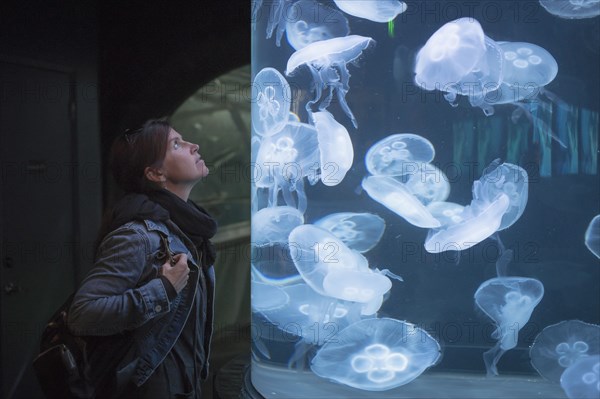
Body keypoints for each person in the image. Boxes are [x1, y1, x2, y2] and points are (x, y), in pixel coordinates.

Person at [68, 119, 217, 398]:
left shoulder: (188, 232)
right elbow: (83, 315)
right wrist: (162, 289)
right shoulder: (138, 236)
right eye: (177, 144)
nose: (193, 145)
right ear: (155, 173)